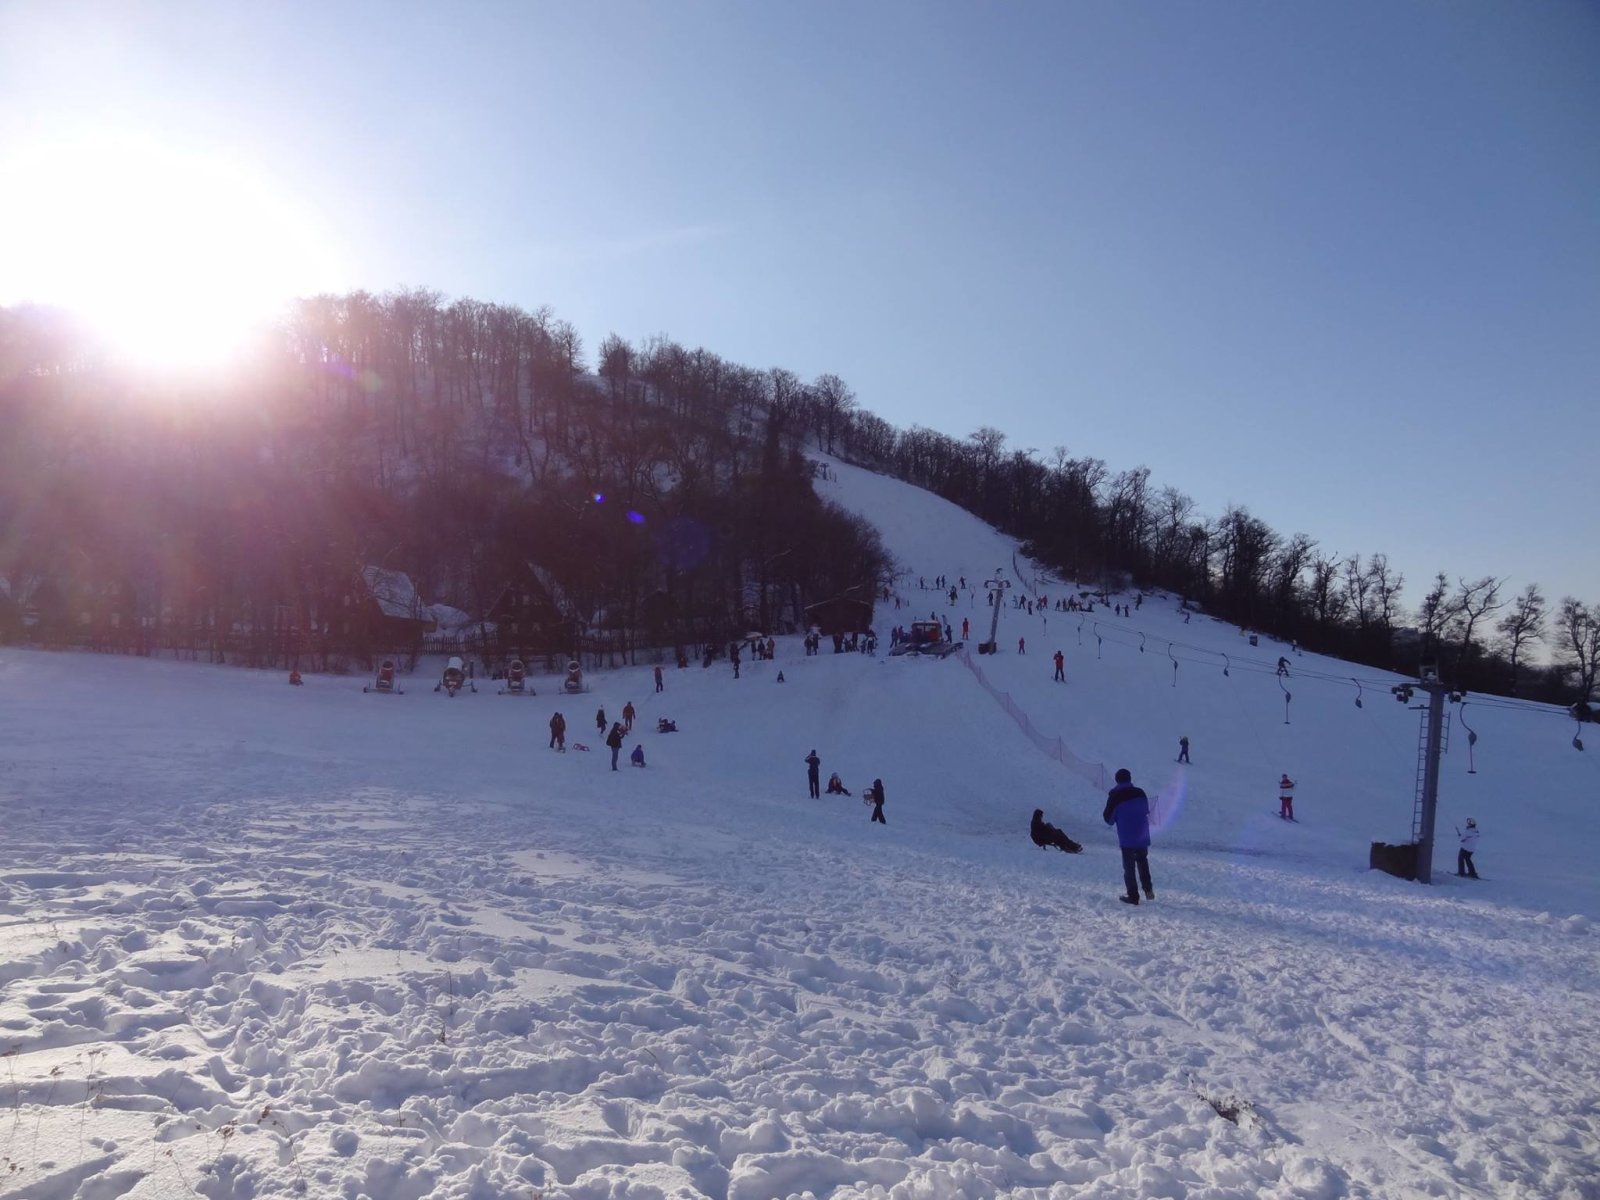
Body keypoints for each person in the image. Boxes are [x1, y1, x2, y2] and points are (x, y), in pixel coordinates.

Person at [1103, 767, 1154, 904]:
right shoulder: (1140, 792)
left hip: (1127, 838)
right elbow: (1146, 810)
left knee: (1129, 867)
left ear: (1117, 780)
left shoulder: (1115, 796)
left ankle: (1133, 896)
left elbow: (1109, 819)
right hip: (1142, 835)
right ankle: (1148, 889)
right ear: (1130, 778)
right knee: (1143, 862)